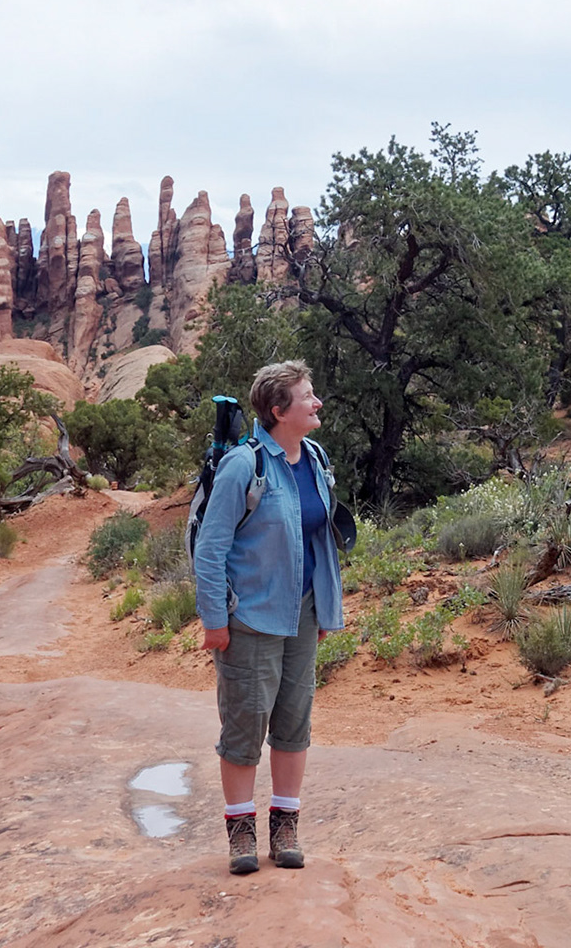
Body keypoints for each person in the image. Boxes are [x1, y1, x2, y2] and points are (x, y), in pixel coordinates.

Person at [193, 360, 345, 874]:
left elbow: (321, 540)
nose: (317, 402)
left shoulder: (316, 457)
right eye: (308, 396)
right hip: (251, 619)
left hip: (301, 614)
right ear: (280, 412)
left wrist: (326, 606)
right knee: (244, 724)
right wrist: (215, 621)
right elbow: (210, 551)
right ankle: (241, 833)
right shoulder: (244, 465)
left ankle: (285, 828)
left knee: (293, 721)